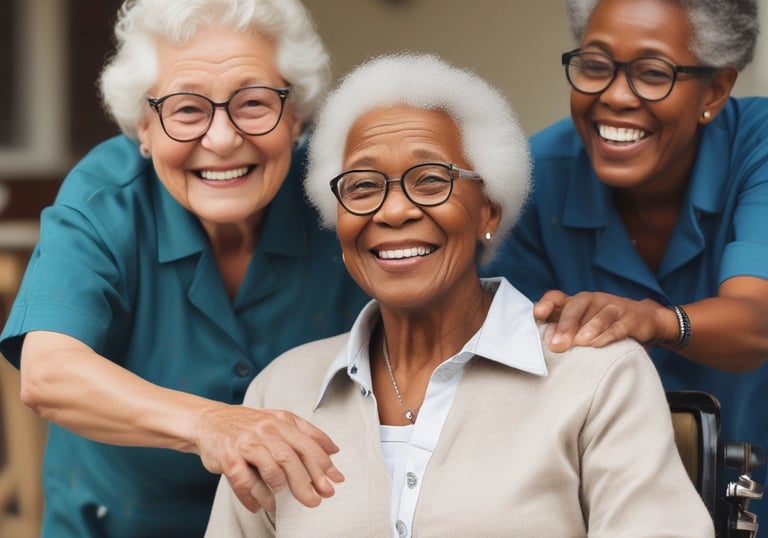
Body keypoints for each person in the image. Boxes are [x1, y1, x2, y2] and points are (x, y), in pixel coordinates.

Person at [205, 53, 713, 537]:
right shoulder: (281, 391)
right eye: (362, 186)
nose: (392, 211)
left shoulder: (596, 376)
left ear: (488, 210)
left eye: (430, 180)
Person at [0, 0, 370, 536]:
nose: (221, 140)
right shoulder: (107, 199)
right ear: (144, 129)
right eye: (187, 110)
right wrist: (209, 424)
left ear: (295, 117)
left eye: (253, 103)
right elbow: (48, 373)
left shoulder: (345, 197)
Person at [484, 0, 768, 523]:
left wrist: (656, 320)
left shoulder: (759, 146)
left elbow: (756, 325)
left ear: (715, 91)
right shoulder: (531, 179)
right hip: (606, 507)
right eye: (595, 65)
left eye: (653, 73)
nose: (614, 96)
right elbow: (506, 377)